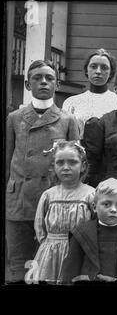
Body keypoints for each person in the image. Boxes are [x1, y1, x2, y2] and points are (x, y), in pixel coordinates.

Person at [5, 60, 79, 282]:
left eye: (49, 78)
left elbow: (76, 165)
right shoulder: (14, 118)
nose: (44, 82)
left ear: (56, 84)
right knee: (18, 264)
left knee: (50, 264)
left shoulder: (67, 120)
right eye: (37, 78)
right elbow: (8, 159)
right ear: (28, 84)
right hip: (19, 201)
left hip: (53, 203)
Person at [24, 141, 95, 283]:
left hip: (80, 254)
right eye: (60, 163)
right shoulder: (48, 196)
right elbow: (40, 229)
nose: (66, 167)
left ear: (83, 166)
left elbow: (96, 226)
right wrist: (50, 246)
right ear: (53, 167)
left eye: (72, 162)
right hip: (50, 255)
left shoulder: (91, 195)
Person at [60, 178, 117, 284]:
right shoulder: (81, 233)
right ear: (94, 207)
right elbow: (70, 269)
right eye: (106, 204)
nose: (113, 209)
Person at [62, 48, 117, 139]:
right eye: (93, 66)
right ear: (86, 70)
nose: (98, 71)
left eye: (104, 68)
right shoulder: (72, 102)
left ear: (111, 73)